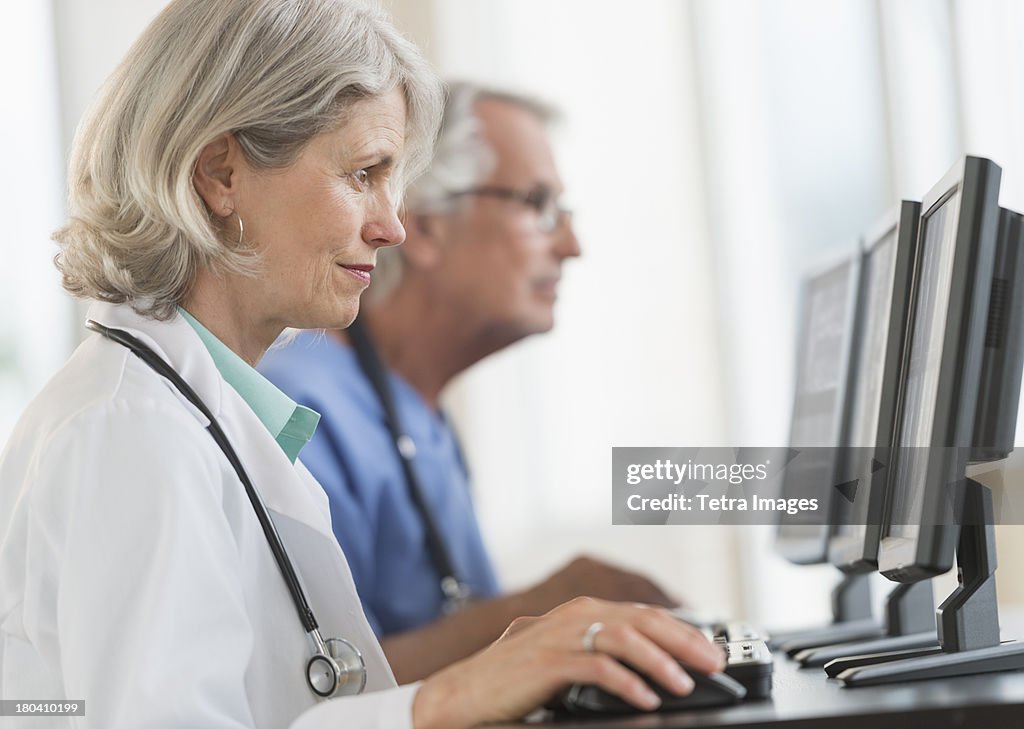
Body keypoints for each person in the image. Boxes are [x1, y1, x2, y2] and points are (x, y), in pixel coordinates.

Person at [0, 1, 724, 727]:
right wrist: (444, 698)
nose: (393, 226)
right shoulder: (132, 428)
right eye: (363, 173)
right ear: (221, 174)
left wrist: (503, 664)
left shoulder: (206, 415)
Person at [259, 82, 681, 683]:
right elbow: (317, 691)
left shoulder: (419, 415)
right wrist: (546, 607)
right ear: (424, 228)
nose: (571, 245)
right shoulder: (302, 408)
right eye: (538, 204)